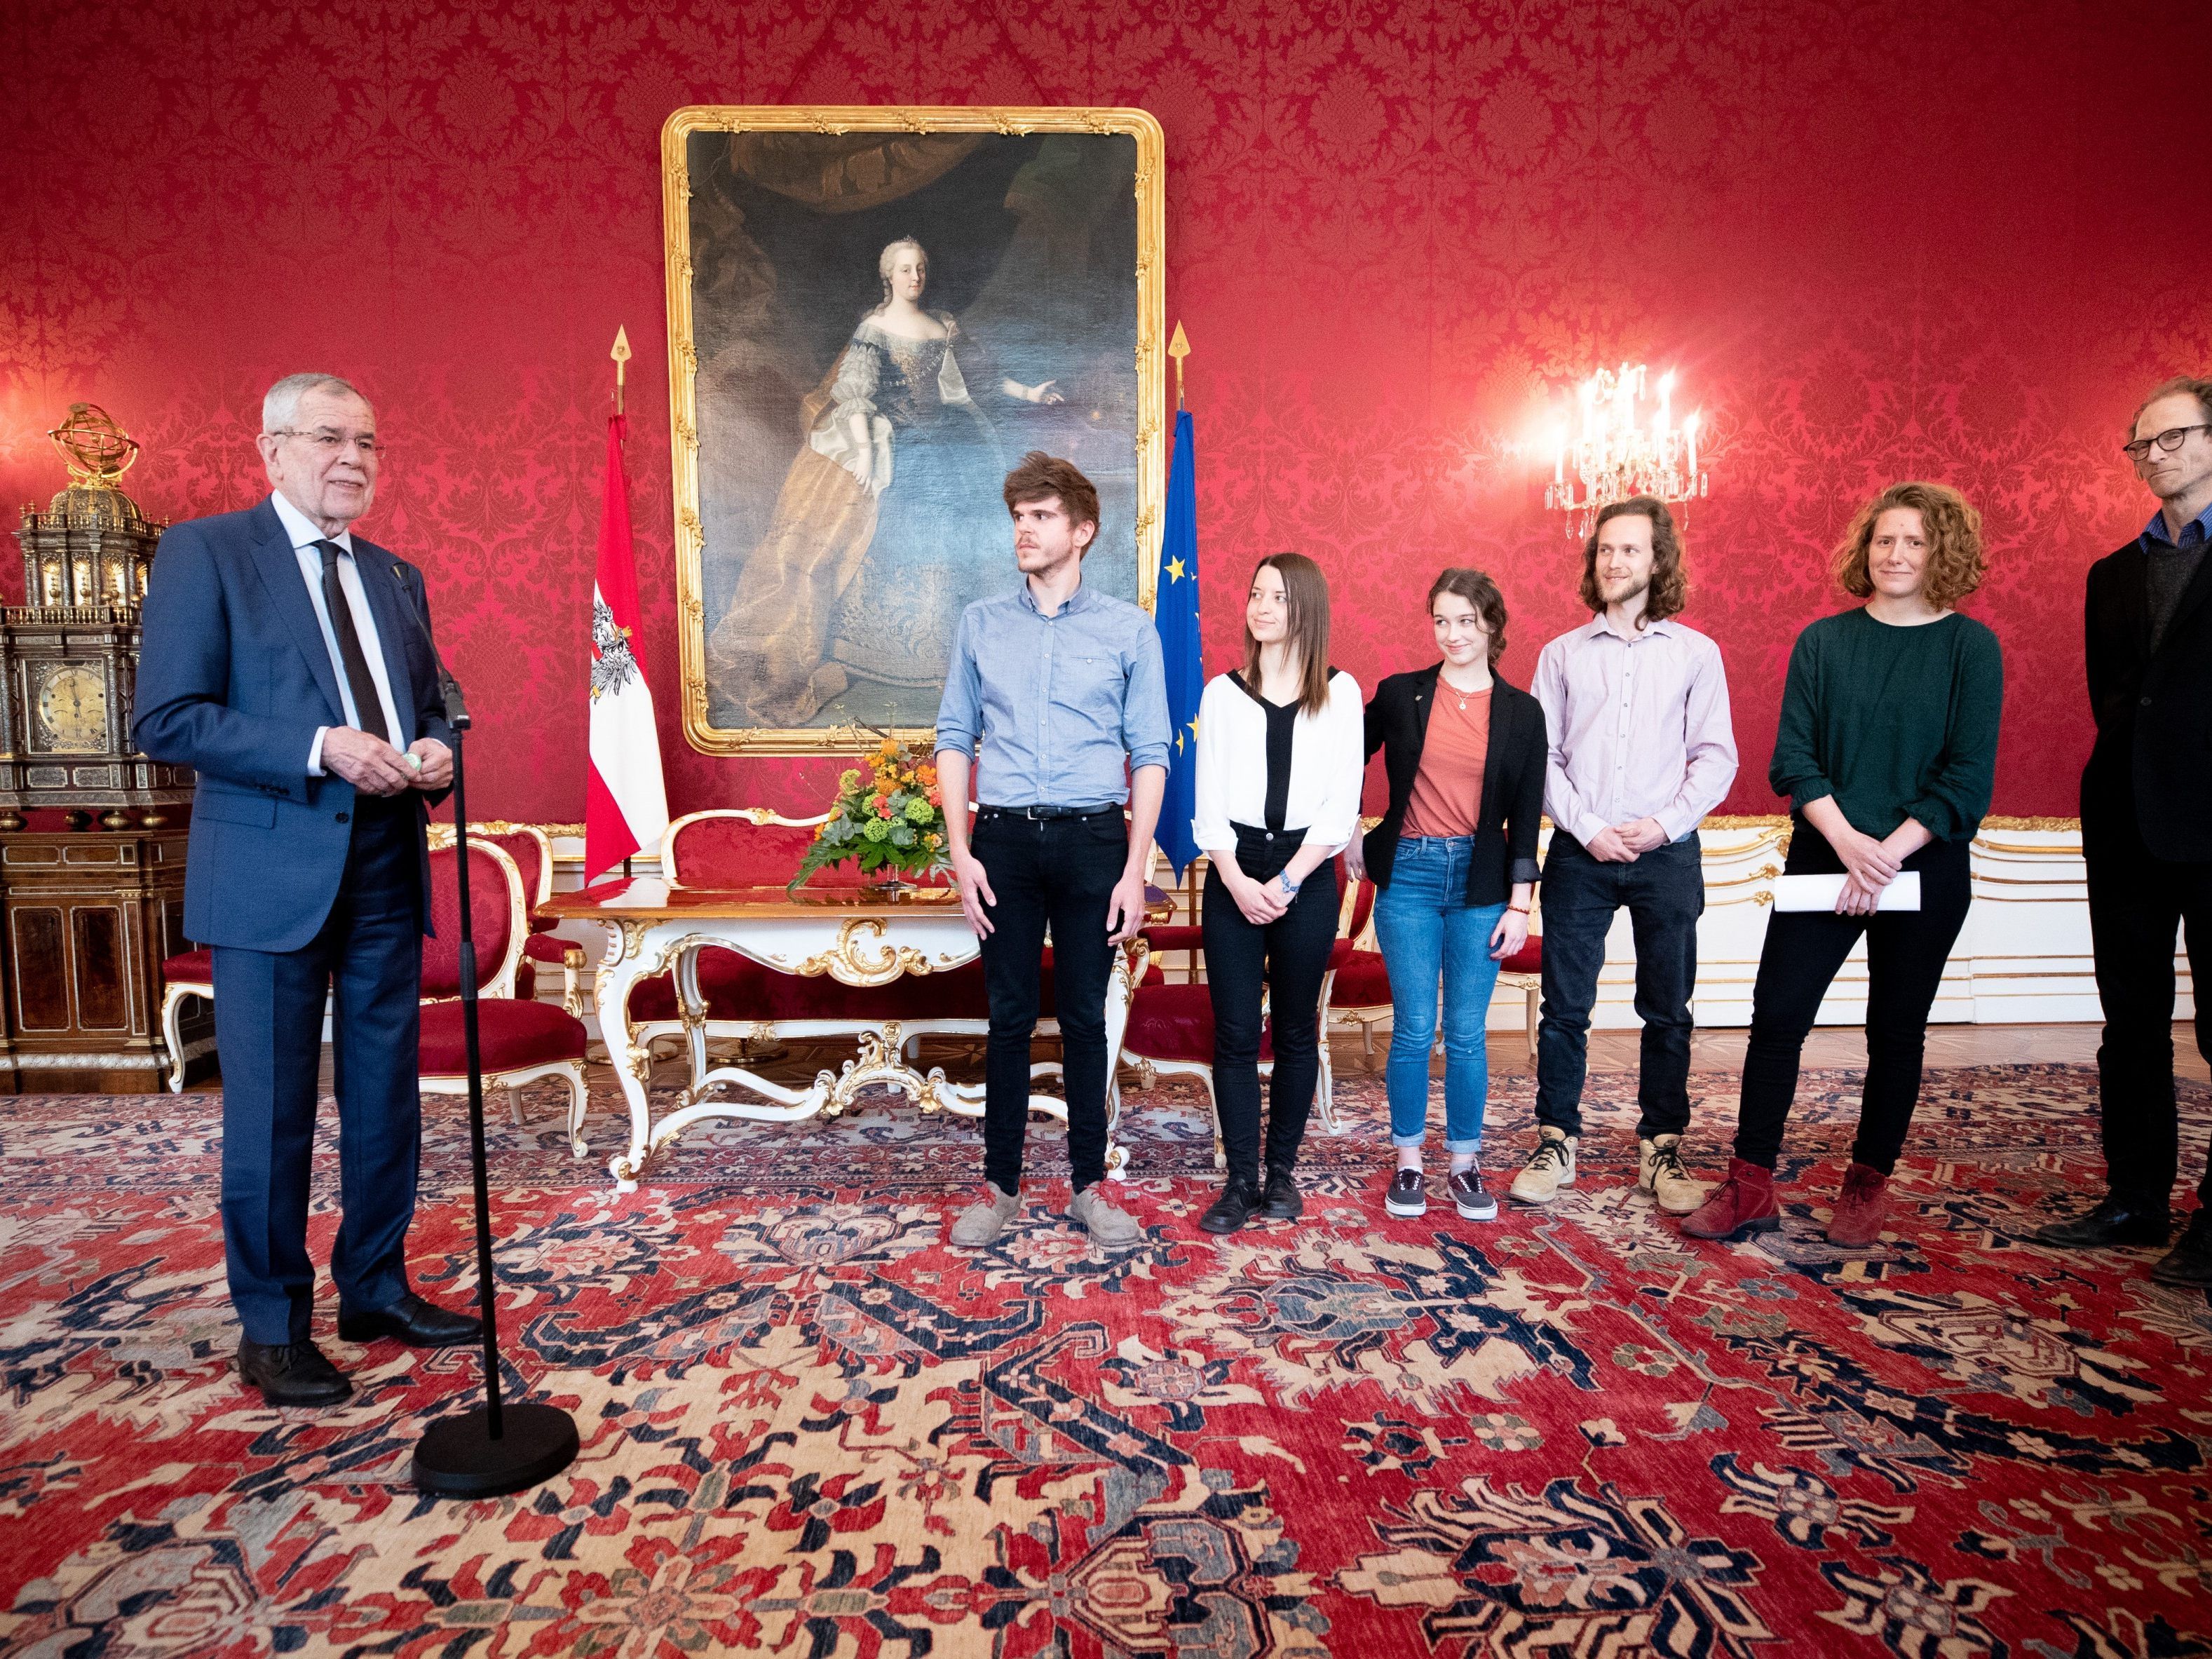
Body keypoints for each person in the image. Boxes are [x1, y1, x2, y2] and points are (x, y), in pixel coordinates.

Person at [132, 373, 481, 1407]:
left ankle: (373, 1286)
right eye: (329, 437)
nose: (354, 458)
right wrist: (320, 746)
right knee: (275, 1111)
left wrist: (433, 748)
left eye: (368, 441)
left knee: (385, 1101)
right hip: (268, 877)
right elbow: (169, 718)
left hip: (383, 864)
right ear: (272, 449)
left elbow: (433, 704)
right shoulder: (208, 553)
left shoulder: (393, 574)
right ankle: (273, 1324)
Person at [1683, 482, 2002, 1247]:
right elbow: (1793, 757)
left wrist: (1885, 854)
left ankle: (1866, 1181)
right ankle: (1749, 1184)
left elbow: (1965, 777)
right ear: (1864, 550)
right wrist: (1850, 846)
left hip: (1921, 865)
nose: (1894, 554)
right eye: (1883, 540)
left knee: (1895, 1028)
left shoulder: (1970, 647)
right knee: (1777, 1017)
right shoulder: (1822, 642)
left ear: (1941, 553)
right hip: (1826, 852)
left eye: (1914, 541)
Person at [935, 452, 1169, 1250]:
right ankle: (999, 1186)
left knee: (1082, 1021)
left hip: (1093, 841)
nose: (1023, 531)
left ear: (1081, 530)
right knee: (1005, 1018)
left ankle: (1087, 1187)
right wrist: (960, 852)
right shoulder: (979, 624)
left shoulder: (1128, 629)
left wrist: (1135, 867)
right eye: (1017, 517)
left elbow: (1148, 752)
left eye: (1038, 516)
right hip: (999, 838)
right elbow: (953, 739)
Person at [710, 236, 1064, 726]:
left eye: (919, 268)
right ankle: (881, 650)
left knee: (957, 537)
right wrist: (862, 450)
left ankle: (949, 649)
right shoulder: (874, 328)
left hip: (950, 442)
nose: (914, 277)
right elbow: (854, 394)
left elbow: (980, 379)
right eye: (904, 270)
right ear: (888, 277)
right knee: (891, 533)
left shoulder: (942, 324)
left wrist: (1029, 391)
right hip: (897, 445)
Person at [2035, 377, 2212, 1285]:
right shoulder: (2110, 572)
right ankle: (2133, 1198)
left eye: (2172, 437)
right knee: (2129, 1021)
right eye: (2139, 444)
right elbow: (2114, 699)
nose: (2155, 455)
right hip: (2124, 826)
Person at [1516, 496, 1737, 1213]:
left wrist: (1661, 823)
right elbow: (1538, 756)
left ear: (1657, 560)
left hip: (1664, 853)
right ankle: (1556, 1140)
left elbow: (1713, 757)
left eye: (1629, 550)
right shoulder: (1560, 654)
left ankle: (1660, 1147)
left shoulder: (1695, 654)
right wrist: (1584, 825)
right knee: (1564, 1007)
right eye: (1604, 550)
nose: (1614, 561)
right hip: (1581, 852)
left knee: (1667, 1007)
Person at [1345, 569, 1545, 1221]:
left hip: (1482, 884)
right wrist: (1347, 822)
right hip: (1408, 874)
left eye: (1465, 620)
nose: (1452, 633)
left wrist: (1520, 905)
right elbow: (1342, 751)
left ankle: (1463, 1164)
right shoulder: (1402, 695)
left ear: (1491, 624)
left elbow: (1523, 816)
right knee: (1411, 1028)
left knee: (1463, 1033)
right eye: (1440, 620)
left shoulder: (1521, 712)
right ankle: (1408, 1163)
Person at [1188, 554, 1364, 1233]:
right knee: (1234, 1033)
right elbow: (1206, 802)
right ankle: (1237, 1181)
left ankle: (1281, 1174)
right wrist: (1236, 880)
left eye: (1276, 596)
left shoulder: (1340, 692)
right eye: (1254, 593)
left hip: (1307, 868)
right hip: (1234, 864)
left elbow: (1340, 800)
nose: (1259, 607)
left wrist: (1288, 880)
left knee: (1294, 1030)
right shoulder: (1220, 693)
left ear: (1305, 609)